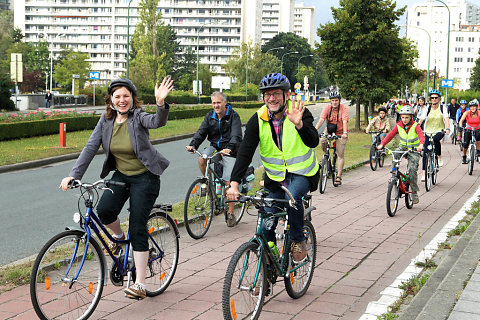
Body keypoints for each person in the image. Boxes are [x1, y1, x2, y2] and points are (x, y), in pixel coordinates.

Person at [59, 76, 174, 300]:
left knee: (137, 225)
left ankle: (140, 282)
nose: (122, 100)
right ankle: (118, 239)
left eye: (126, 96)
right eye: (117, 96)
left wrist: (160, 103)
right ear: (110, 100)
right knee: (104, 211)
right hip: (121, 175)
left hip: (145, 177)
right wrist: (74, 175)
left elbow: (157, 122)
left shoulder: (138, 117)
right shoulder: (106, 120)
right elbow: (90, 147)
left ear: (132, 99)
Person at [227, 73, 319, 264]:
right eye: (267, 94)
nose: (271, 98)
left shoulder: (299, 111)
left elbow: (313, 141)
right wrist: (234, 184)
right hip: (275, 177)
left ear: (286, 94)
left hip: (302, 173)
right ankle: (268, 263)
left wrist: (300, 124)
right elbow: (245, 151)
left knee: (292, 197)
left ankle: (297, 241)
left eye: (276, 93)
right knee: (265, 221)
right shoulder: (258, 118)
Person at [186, 91, 242, 227]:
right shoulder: (209, 116)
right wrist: (193, 144)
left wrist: (229, 147)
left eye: (218, 102)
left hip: (231, 149)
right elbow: (201, 132)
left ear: (224, 103)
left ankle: (230, 213)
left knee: (228, 182)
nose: (216, 106)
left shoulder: (233, 116)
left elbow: (236, 135)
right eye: (213, 103)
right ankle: (207, 184)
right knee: (202, 158)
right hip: (215, 147)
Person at [378, 105, 424, 204]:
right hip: (403, 147)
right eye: (402, 117)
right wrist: (382, 144)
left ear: (411, 117)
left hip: (414, 149)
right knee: (395, 154)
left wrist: (421, 145)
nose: (404, 119)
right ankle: (394, 174)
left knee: (412, 170)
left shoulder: (416, 125)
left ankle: (414, 192)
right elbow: (390, 135)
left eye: (407, 117)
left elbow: (421, 136)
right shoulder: (399, 125)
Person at [315, 90, 349, 186]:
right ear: (330, 101)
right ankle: (326, 156)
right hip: (329, 130)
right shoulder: (327, 108)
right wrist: (315, 130)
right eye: (332, 100)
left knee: (340, 154)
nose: (334, 102)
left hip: (341, 132)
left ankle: (338, 176)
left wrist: (345, 133)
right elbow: (321, 119)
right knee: (322, 140)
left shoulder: (343, 109)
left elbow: (345, 121)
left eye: (336, 100)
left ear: (339, 101)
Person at [418, 89, 450, 178]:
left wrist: (447, 128)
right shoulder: (427, 108)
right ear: (430, 99)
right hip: (428, 131)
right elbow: (422, 118)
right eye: (432, 98)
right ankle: (424, 173)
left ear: (439, 99)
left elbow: (446, 118)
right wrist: (417, 126)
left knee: (436, 139)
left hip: (440, 130)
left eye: (436, 97)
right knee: (425, 151)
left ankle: (439, 157)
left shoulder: (442, 108)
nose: (434, 99)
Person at [459, 99, 480, 164]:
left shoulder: (479, 113)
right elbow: (461, 120)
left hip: (477, 128)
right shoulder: (467, 113)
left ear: (477, 107)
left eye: (474, 106)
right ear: (469, 107)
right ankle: (464, 156)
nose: (473, 108)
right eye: (471, 106)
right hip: (468, 128)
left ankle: (478, 150)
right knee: (465, 144)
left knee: (478, 138)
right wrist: (460, 127)